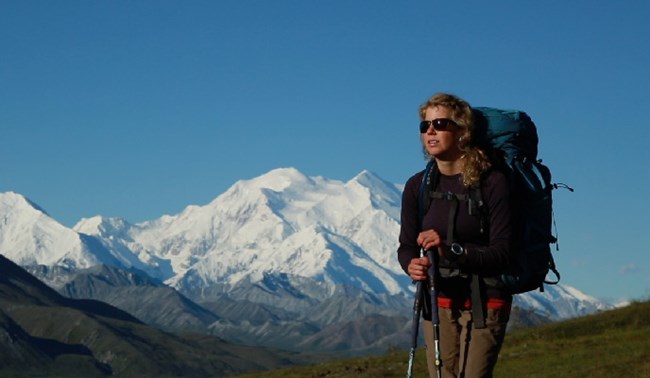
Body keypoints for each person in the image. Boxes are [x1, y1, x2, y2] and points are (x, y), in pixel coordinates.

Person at [398, 93, 514, 378]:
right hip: (439, 299)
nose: (431, 131)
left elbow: (503, 252)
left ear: (463, 131)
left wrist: (451, 251)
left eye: (440, 124)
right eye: (425, 126)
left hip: (485, 299)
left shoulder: (492, 182)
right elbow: (406, 246)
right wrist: (410, 264)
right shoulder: (418, 186)